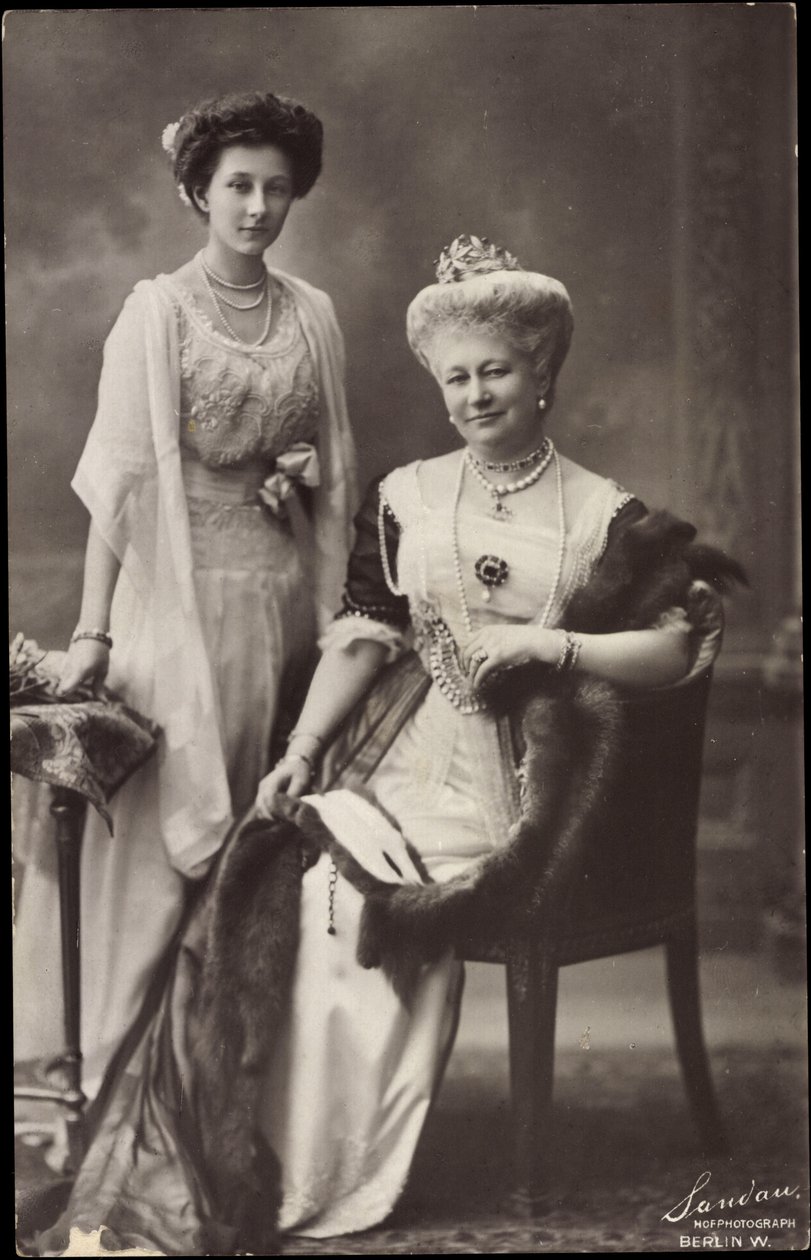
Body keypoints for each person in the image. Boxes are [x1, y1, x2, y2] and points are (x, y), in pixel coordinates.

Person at [32, 235, 740, 1257]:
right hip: (404, 766)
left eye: (495, 372)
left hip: (522, 799)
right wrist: (302, 751)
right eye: (456, 379)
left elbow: (674, 649)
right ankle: (253, 1164)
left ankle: (330, 1174)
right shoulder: (408, 495)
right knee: (297, 888)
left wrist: (551, 644)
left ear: (541, 373)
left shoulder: (603, 512)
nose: (474, 396)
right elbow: (365, 634)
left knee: (357, 911)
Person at [13, 90, 358, 1094]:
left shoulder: (314, 313)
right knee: (160, 844)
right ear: (198, 191)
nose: (257, 207)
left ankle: (222, 1081)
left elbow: (333, 472)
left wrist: (311, 534)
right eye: (237, 185)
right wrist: (92, 631)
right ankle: (122, 1075)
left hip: (276, 601)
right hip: (171, 604)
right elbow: (118, 490)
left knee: (252, 831)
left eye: (276, 189)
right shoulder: (156, 312)